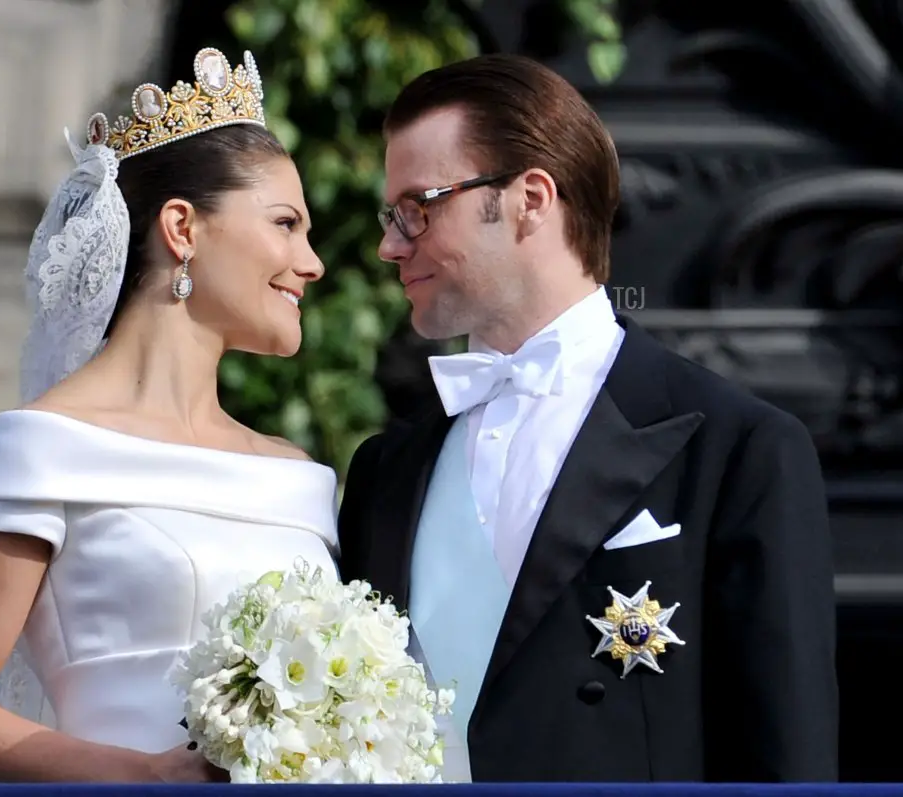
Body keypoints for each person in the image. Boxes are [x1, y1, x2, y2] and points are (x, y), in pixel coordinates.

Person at [337, 53, 839, 783]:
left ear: (530, 200)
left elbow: (788, 758)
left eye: (420, 207)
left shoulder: (741, 449)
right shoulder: (387, 469)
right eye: (392, 216)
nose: (390, 244)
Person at [0, 48, 335, 782]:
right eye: (286, 224)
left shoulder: (298, 475)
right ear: (182, 228)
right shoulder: (42, 450)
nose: (312, 261)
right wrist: (144, 776)